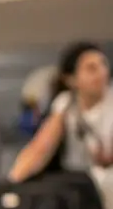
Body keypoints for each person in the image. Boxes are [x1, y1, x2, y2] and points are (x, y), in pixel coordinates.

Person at [10, 41, 113, 183]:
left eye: (103, 65)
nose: (101, 73)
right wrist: (12, 182)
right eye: (91, 69)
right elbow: (40, 148)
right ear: (71, 79)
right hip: (80, 189)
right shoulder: (65, 104)